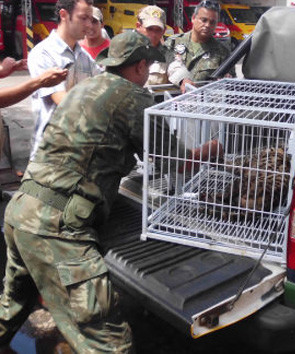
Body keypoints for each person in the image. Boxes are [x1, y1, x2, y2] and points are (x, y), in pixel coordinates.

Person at [0, 30, 220, 353]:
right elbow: (176, 162)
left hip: (21, 209)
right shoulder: (135, 97)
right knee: (109, 342)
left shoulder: (82, 89)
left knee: (9, 311)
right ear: (140, 66)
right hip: (57, 228)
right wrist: (210, 149)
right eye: (148, 68)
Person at [27, 0, 101, 160]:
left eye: (91, 19)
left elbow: (103, 86)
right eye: (83, 18)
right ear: (63, 15)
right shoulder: (43, 53)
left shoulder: (85, 57)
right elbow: (62, 100)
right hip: (50, 154)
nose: (89, 25)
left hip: (78, 151)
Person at [165, 0, 233, 93]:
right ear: (193, 18)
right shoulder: (173, 43)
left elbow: (231, 83)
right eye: (203, 20)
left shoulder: (222, 52)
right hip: (171, 103)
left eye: (212, 22)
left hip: (203, 103)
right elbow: (161, 69)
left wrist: (226, 81)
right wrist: (181, 79)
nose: (207, 25)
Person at [135, 5, 169, 85]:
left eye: (158, 30)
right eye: (149, 29)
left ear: (164, 31)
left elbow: (177, 69)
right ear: (138, 26)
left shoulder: (168, 55)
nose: (153, 34)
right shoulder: (125, 49)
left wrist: (183, 80)